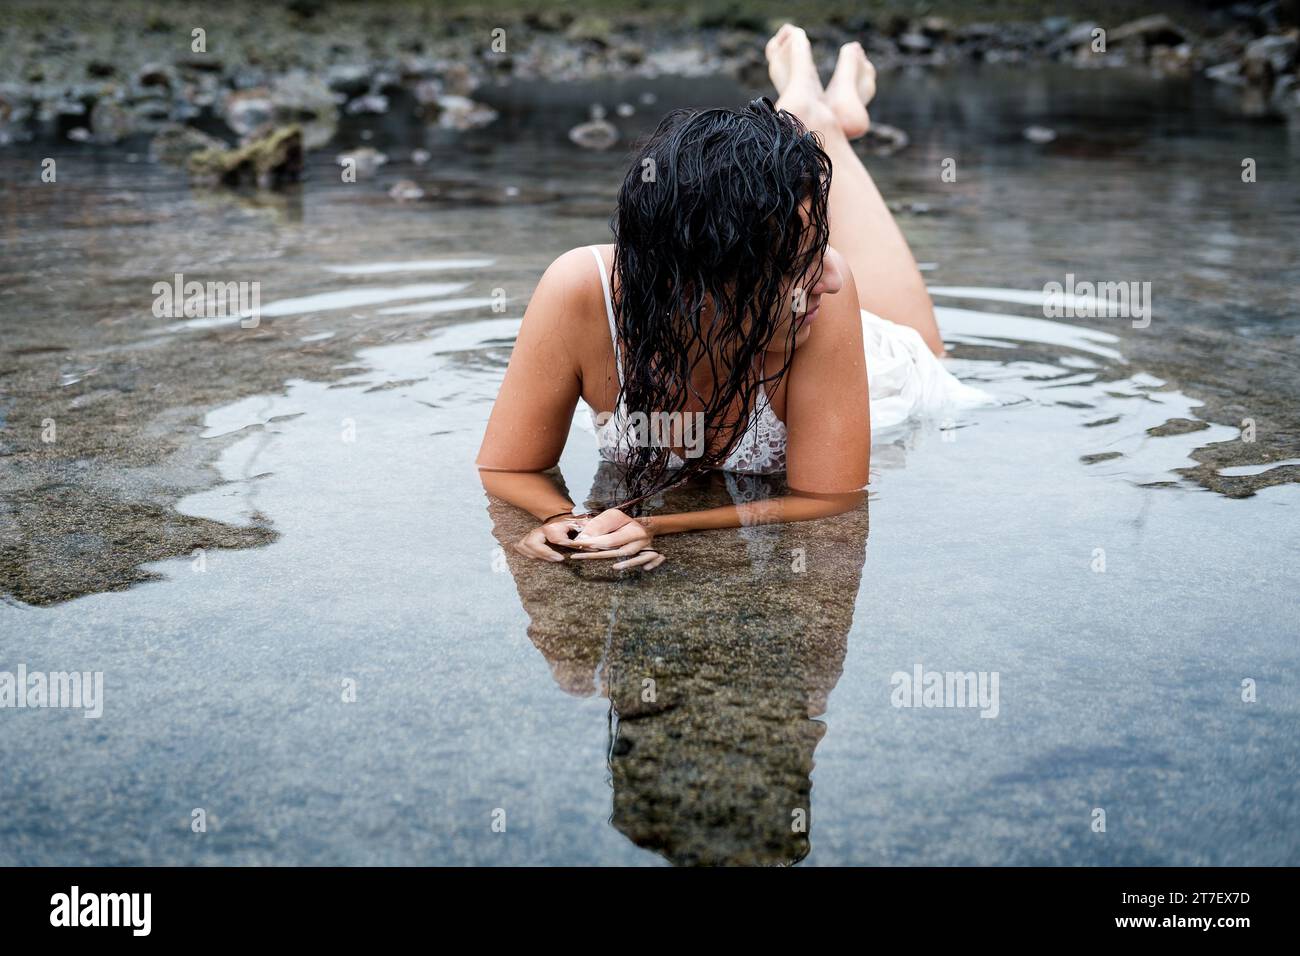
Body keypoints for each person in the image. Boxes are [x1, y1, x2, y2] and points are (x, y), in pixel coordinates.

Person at [478, 25, 987, 571]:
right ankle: (815, 112)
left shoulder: (826, 296)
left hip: (872, 366)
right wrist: (563, 521)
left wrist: (651, 525)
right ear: (697, 283)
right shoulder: (580, 293)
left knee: (930, 355)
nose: (834, 274)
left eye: (824, 244)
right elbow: (508, 470)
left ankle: (818, 118)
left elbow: (830, 499)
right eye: (801, 260)